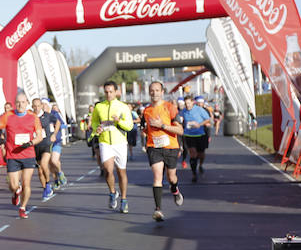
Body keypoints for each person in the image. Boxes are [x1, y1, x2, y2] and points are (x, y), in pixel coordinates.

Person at [0, 91, 42, 218]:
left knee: (26, 184)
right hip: (12, 155)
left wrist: (30, 143)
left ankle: (23, 207)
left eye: (23, 102)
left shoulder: (33, 117)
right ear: (15, 104)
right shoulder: (8, 115)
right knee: (13, 185)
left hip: (28, 154)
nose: (20, 105)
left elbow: (40, 136)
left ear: (27, 103)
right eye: (18, 103)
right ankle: (16, 192)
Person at [142, 81, 184, 222]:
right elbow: (144, 129)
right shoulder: (146, 111)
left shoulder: (170, 107)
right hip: (154, 148)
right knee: (157, 177)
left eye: (157, 90)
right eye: (152, 90)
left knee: (171, 177)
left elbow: (180, 130)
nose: (154, 93)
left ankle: (175, 189)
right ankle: (158, 209)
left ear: (162, 92)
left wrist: (162, 125)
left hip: (171, 147)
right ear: (149, 92)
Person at [90, 81, 133, 214]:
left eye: (111, 92)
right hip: (105, 142)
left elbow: (129, 126)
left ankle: (124, 199)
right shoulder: (99, 107)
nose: (108, 94)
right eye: (106, 92)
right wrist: (96, 129)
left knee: (121, 172)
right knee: (108, 171)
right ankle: (112, 193)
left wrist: (119, 121)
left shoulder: (123, 107)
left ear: (116, 92)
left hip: (120, 142)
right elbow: (94, 121)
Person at [179, 96, 211, 182]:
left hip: (200, 134)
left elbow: (208, 119)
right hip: (189, 135)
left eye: (188, 103)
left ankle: (200, 165)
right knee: (193, 154)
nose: (187, 105)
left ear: (193, 102)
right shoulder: (184, 111)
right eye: (185, 104)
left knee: (201, 154)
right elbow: (180, 119)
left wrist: (199, 124)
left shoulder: (199, 110)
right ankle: (194, 173)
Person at [32, 98, 54, 200]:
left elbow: (58, 122)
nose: (36, 108)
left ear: (41, 106)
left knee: (44, 164)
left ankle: (48, 184)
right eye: (34, 106)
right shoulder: (30, 117)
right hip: (36, 146)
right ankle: (45, 188)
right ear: (32, 107)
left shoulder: (47, 115)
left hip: (46, 143)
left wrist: (54, 134)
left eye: (38, 106)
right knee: (40, 171)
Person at [48, 101, 68, 189]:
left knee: (54, 160)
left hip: (56, 141)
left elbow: (63, 124)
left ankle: (60, 173)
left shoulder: (55, 114)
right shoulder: (40, 116)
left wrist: (56, 127)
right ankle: (56, 181)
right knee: (50, 164)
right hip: (46, 143)